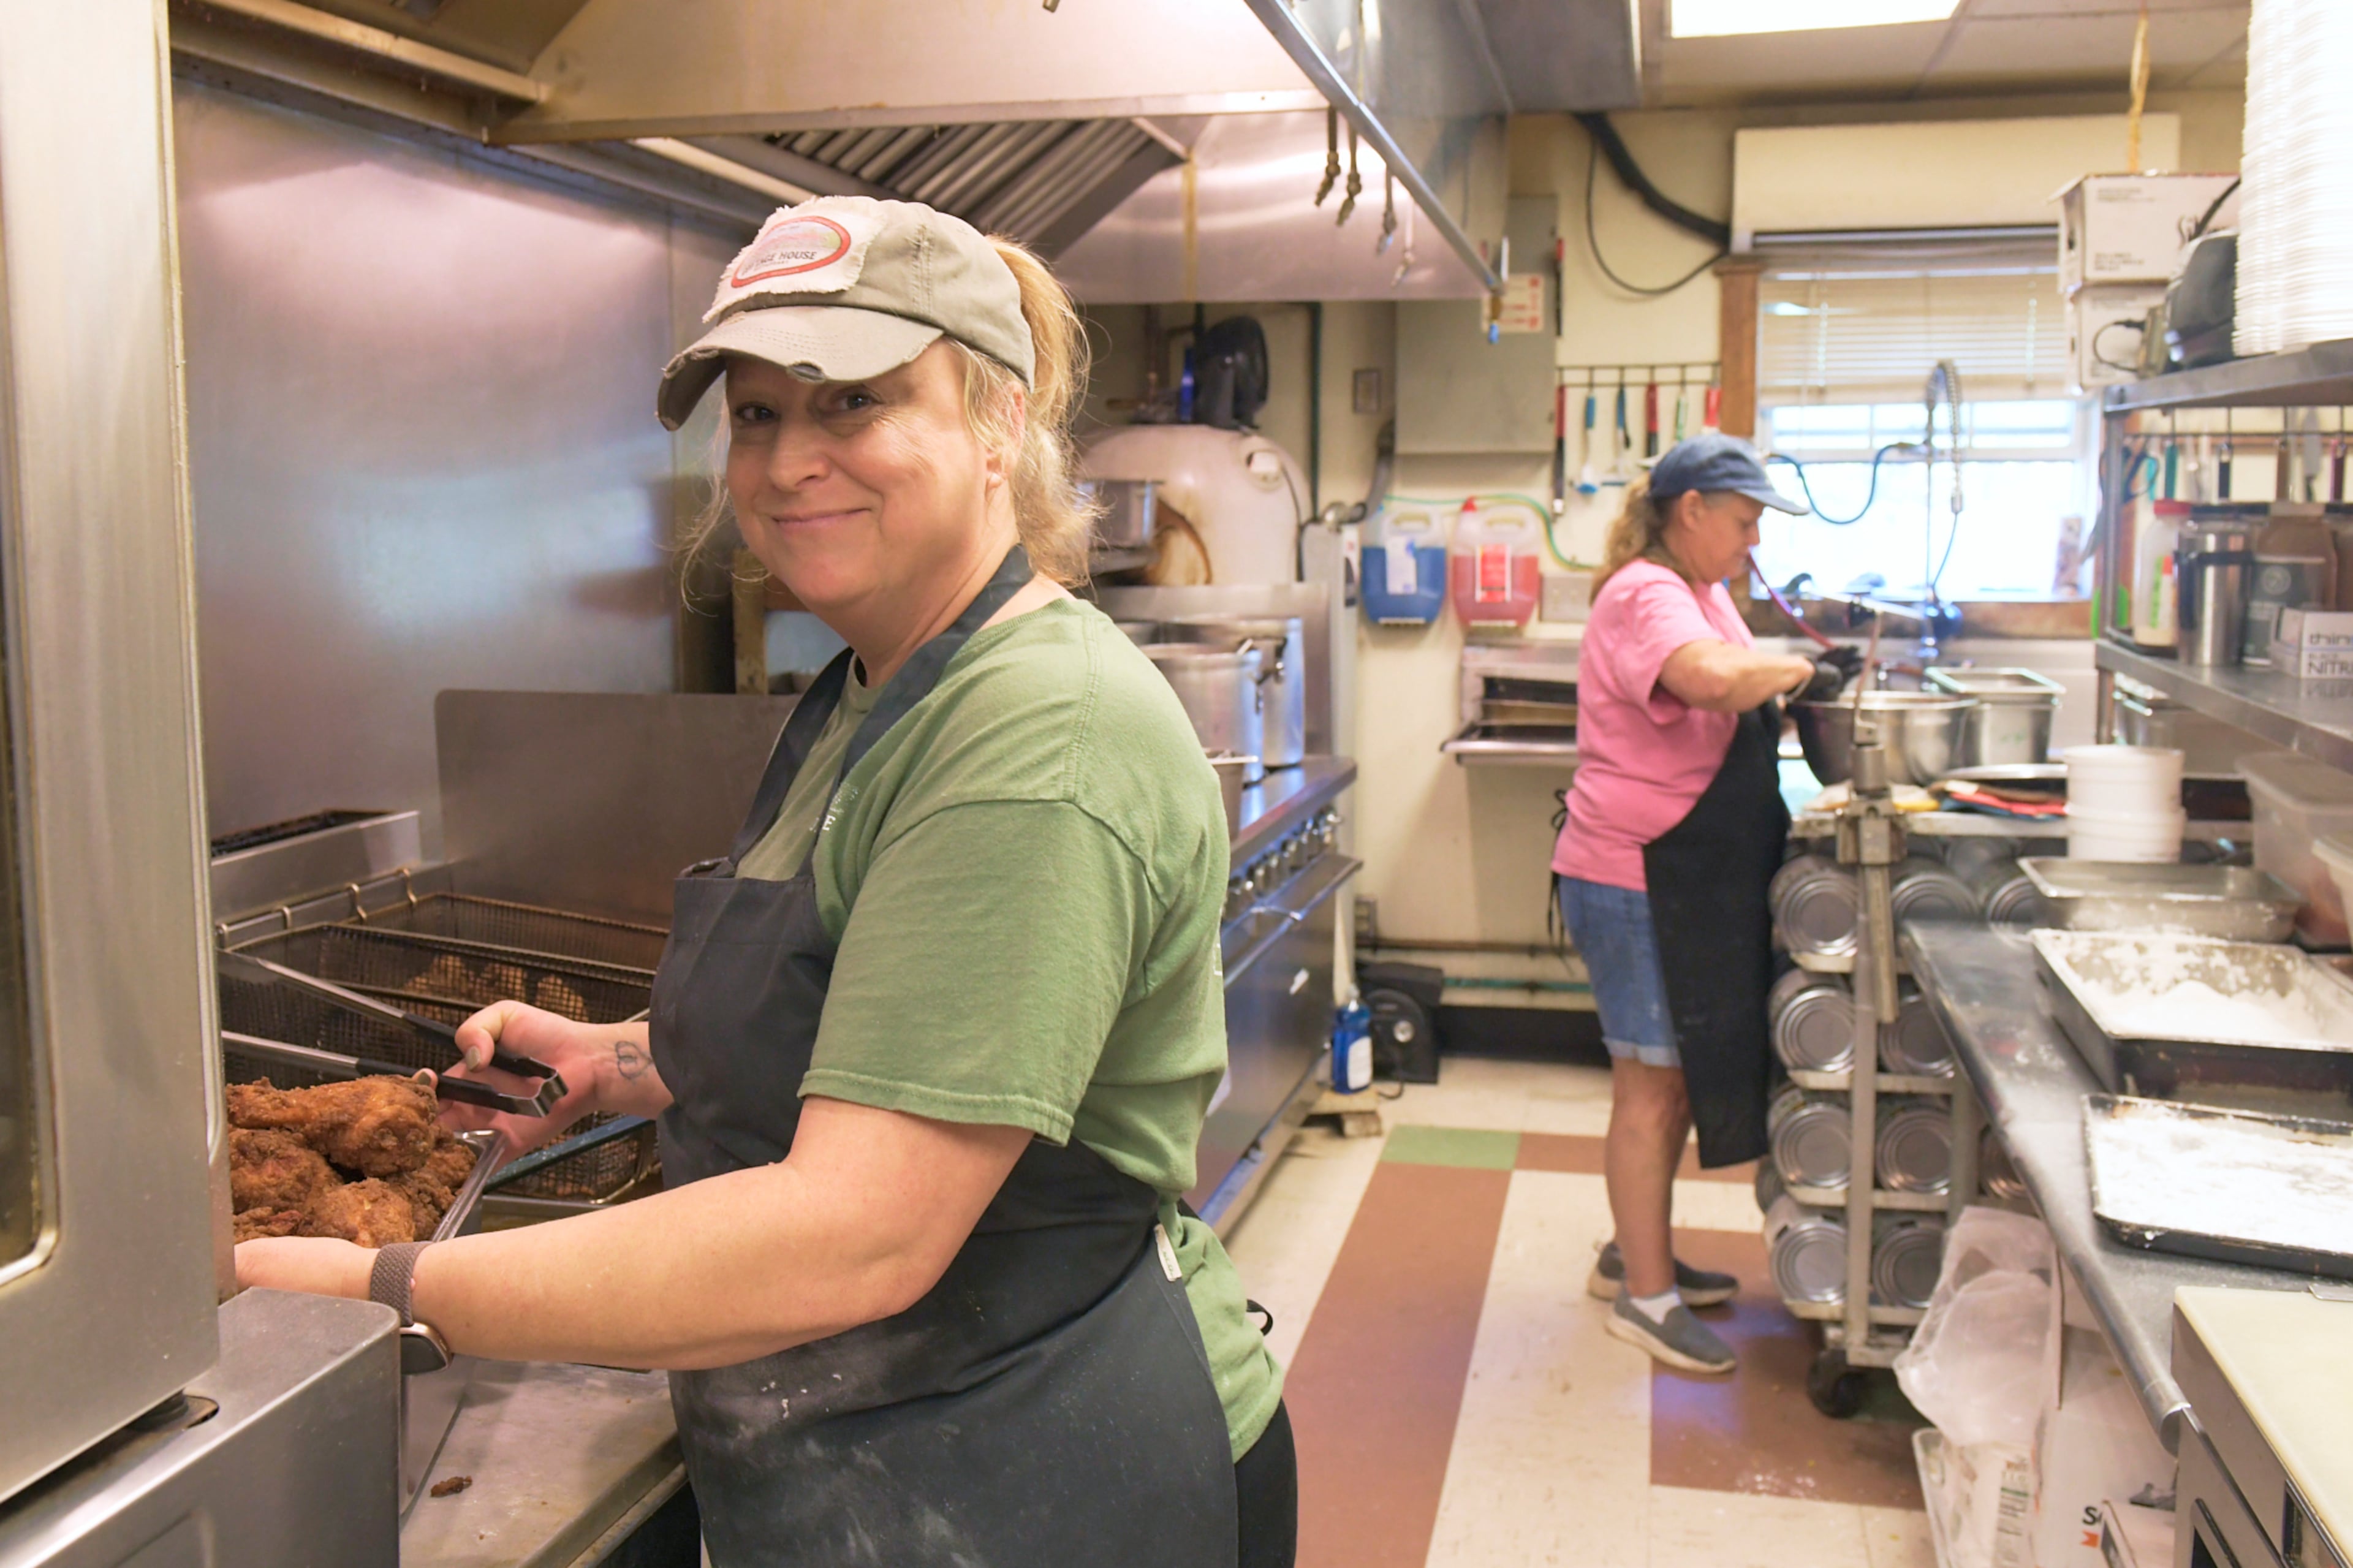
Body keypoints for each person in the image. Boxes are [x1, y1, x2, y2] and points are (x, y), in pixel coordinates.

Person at [237, 196, 1297, 1567]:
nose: (792, 461)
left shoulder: (1037, 736)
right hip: (881, 1459)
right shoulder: (877, 687)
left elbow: (854, 1235)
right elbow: (873, 1014)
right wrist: (620, 1062)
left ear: (996, 420)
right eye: (755, 415)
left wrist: (386, 1283)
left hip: (1047, 1473)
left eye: (854, 402)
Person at [1550, 433, 1855, 1375]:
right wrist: (1801, 672)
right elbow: (1706, 679)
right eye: (1745, 519)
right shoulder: (1645, 592)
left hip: (1679, 873)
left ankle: (1631, 1251)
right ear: (1692, 511)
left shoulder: (1701, 592)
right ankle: (1645, 1301)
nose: (1753, 539)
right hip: (1638, 872)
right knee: (1651, 1088)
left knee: (1674, 1072)